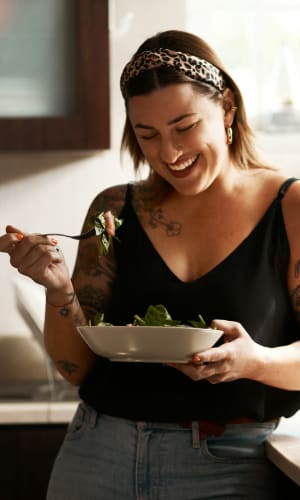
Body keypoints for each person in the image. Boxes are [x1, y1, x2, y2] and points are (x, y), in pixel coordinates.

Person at [1, 29, 300, 499]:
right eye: (148, 136)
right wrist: (58, 289)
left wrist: (253, 361)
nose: (169, 154)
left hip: (230, 468)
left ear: (226, 107)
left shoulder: (291, 207)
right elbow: (75, 368)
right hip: (96, 454)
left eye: (184, 127)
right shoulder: (115, 210)